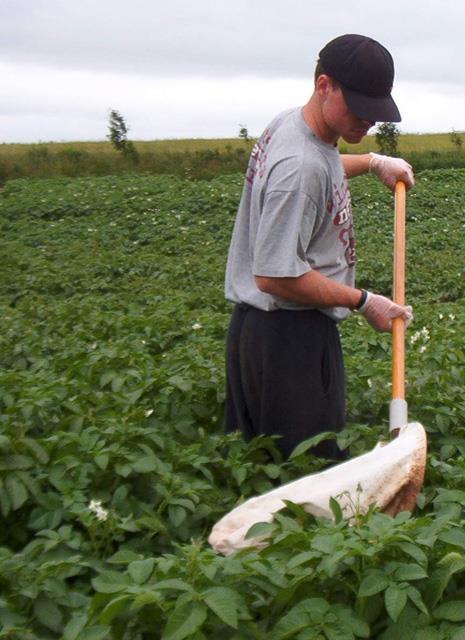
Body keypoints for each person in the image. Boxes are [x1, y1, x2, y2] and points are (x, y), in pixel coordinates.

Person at [224, 34, 414, 460]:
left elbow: (320, 165)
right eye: (359, 105)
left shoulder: (292, 126)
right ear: (325, 85)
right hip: (290, 340)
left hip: (260, 332)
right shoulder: (300, 168)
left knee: (264, 469)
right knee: (308, 478)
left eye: (375, 109)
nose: (368, 120)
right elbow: (275, 275)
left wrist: (371, 161)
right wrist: (364, 301)